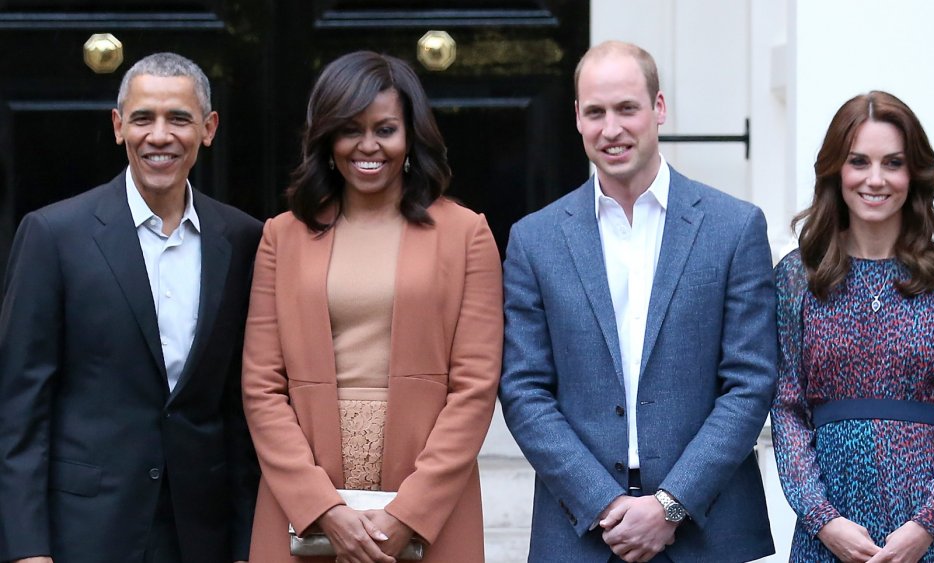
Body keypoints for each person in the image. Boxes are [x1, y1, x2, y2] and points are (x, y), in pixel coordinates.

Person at [498, 40, 778, 563]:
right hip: (580, 533)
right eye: (596, 112)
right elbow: (522, 390)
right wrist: (603, 503)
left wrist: (670, 506)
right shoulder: (534, 241)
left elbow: (750, 382)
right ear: (577, 118)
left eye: (627, 108)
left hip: (707, 532)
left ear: (659, 108)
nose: (612, 129)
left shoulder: (734, 228)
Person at [241, 50, 503, 563]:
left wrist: (408, 514)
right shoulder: (281, 237)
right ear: (326, 138)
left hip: (429, 502)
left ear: (411, 136)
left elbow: (475, 387)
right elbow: (262, 386)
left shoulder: (466, 234)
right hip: (305, 503)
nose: (368, 146)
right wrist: (322, 507)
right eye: (349, 130)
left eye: (385, 129)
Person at [0, 52, 262, 563]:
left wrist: (247, 543)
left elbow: (240, 407)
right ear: (119, 126)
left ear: (208, 129)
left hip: (202, 535)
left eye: (179, 119)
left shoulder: (243, 238)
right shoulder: (54, 235)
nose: (159, 135)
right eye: (143, 118)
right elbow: (20, 410)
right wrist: (27, 549)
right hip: (85, 533)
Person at [771, 91, 934, 563]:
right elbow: (787, 407)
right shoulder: (798, 276)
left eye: (892, 163)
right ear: (837, 170)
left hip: (929, 535)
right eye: (859, 162)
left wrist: (927, 524)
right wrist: (822, 519)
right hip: (828, 532)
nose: (875, 179)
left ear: (913, 173)